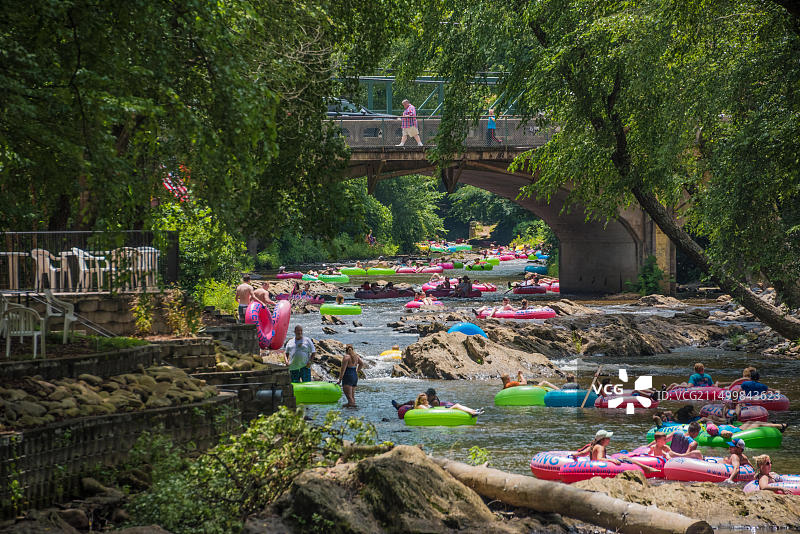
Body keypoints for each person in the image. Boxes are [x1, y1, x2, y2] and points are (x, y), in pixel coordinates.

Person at [587, 430, 658, 473]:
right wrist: (612, 460)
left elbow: (587, 454)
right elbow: (599, 459)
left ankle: (646, 468)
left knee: (623, 457)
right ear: (602, 440)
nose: (609, 439)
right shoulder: (600, 447)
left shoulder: (595, 446)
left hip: (595, 466)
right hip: (598, 468)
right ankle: (646, 468)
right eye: (608, 438)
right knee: (626, 458)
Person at [413, 393, 482, 416]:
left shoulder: (423, 405)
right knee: (457, 405)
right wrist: (426, 405)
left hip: (437, 412)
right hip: (438, 414)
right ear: (419, 401)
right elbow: (428, 411)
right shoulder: (420, 406)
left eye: (425, 399)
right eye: (423, 400)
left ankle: (474, 411)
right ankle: (472, 412)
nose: (425, 401)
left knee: (457, 405)